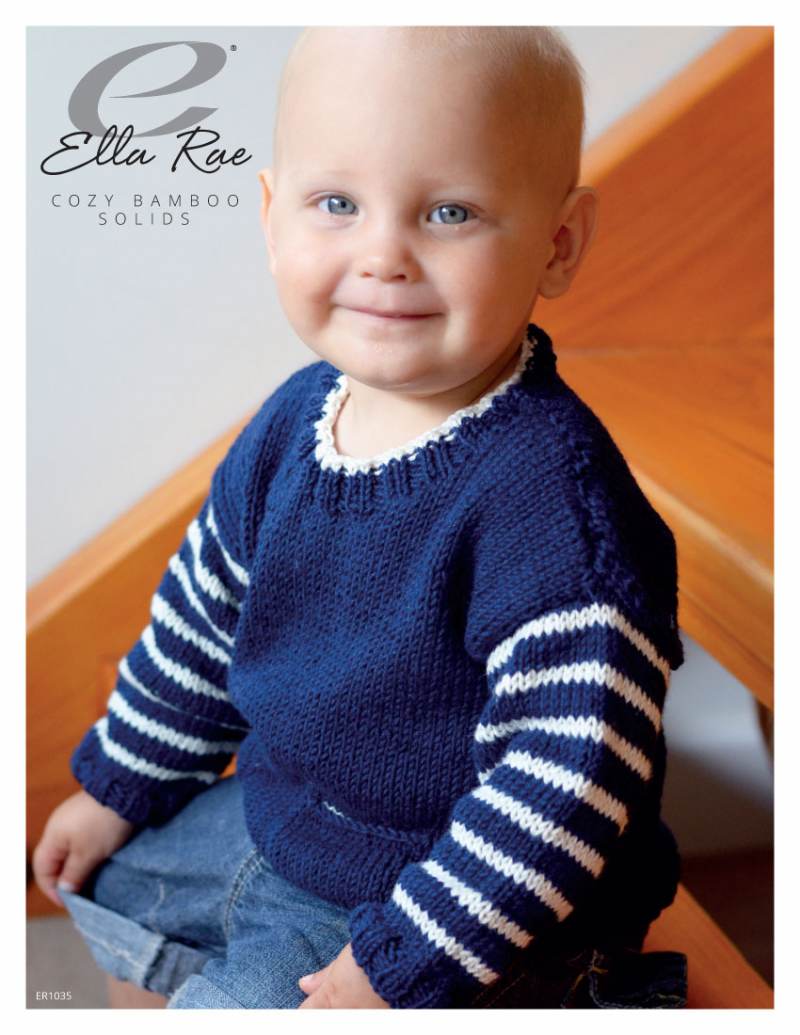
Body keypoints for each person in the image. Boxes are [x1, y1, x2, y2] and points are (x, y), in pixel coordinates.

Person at [32, 26, 688, 1009]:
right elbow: (204, 624)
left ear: (557, 244)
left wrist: (401, 961)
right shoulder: (294, 420)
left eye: (449, 212)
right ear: (271, 217)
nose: (383, 256)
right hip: (301, 820)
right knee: (113, 879)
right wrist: (121, 783)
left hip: (473, 898)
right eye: (337, 204)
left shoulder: (557, 510)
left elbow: (564, 782)